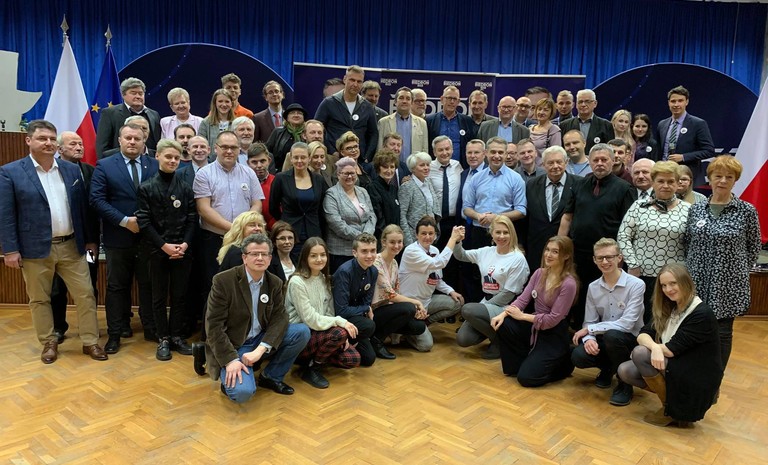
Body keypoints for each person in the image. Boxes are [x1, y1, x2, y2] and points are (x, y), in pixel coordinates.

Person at [0, 120, 107, 363]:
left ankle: (90, 341)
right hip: (34, 249)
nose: (48, 143)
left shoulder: (71, 170)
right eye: (42, 138)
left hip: (72, 246)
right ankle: (49, 342)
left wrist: (91, 240)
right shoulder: (11, 172)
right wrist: (10, 250)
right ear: (29, 140)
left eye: (51, 138)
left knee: (86, 294)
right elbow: (6, 214)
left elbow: (83, 208)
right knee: (40, 298)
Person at [204, 234, 310, 402]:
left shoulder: (274, 282)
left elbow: (280, 317)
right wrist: (231, 360)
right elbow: (214, 326)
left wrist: (261, 349)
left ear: (270, 258)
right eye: (254, 254)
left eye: (264, 254)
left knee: (301, 332)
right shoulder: (223, 281)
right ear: (244, 258)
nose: (260, 258)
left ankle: (271, 376)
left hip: (260, 339)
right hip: (235, 345)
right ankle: (229, 374)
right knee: (242, 394)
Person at [617, 263, 723, 426]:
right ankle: (671, 407)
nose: (668, 289)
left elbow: (672, 349)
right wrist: (654, 347)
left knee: (640, 353)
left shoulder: (701, 313)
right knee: (625, 370)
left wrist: (654, 348)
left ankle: (675, 410)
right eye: (664, 285)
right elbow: (643, 334)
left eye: (673, 283)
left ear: (685, 282)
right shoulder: (669, 307)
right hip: (677, 365)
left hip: (697, 373)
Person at [685, 156, 761, 371]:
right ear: (709, 178)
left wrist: (736, 270)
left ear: (735, 180)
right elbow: (687, 242)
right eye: (718, 176)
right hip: (696, 280)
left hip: (728, 284)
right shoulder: (696, 209)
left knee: (722, 333)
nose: (723, 181)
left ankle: (714, 377)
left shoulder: (746, 211)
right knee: (695, 327)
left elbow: (754, 246)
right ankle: (695, 373)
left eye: (729, 177)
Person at [91, 123, 159, 353]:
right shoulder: (105, 165)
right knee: (117, 287)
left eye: (137, 139)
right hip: (118, 238)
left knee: (148, 285)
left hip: (148, 238)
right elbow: (97, 200)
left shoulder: (154, 165)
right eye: (128, 138)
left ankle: (151, 328)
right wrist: (124, 221)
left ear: (144, 141)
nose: (132, 142)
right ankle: (115, 333)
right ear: (119, 140)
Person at [561, 143, 635, 329]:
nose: (600, 163)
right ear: (590, 162)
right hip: (580, 253)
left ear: (613, 161)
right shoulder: (579, 184)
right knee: (580, 293)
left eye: (604, 160)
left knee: (606, 295)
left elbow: (629, 226)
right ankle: (580, 331)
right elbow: (568, 217)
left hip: (608, 257)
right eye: (596, 160)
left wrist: (621, 256)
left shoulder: (625, 188)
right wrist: (560, 246)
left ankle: (604, 332)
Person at [193, 131, 264, 323]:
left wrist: (243, 228)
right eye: (224, 147)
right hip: (213, 240)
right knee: (213, 285)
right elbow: (204, 209)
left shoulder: (249, 173)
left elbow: (257, 204)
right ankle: (211, 331)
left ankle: (240, 328)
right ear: (215, 148)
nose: (229, 151)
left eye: (233, 147)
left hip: (243, 242)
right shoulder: (204, 173)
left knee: (242, 286)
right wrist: (235, 228)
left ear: (239, 149)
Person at [136, 139, 197, 360]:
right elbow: (144, 222)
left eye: (176, 158)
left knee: (180, 295)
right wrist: (164, 246)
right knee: (159, 296)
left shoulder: (185, 187)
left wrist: (184, 245)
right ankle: (162, 337)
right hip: (156, 250)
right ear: (158, 156)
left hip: (182, 250)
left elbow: (192, 219)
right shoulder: (146, 187)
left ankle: (177, 336)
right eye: (168, 156)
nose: (172, 161)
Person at [491, 236, 578, 387]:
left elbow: (552, 319)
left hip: (553, 333)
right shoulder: (539, 273)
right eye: (547, 250)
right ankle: (521, 364)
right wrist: (503, 314)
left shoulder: (569, 284)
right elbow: (522, 300)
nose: (548, 255)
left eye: (555, 252)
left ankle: (564, 363)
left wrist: (522, 316)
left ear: (566, 256)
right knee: (504, 323)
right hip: (534, 325)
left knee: (527, 379)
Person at [571, 238, 644, 406]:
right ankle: (608, 368)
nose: (604, 262)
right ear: (594, 260)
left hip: (629, 340)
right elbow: (589, 321)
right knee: (578, 356)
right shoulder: (593, 287)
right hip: (605, 338)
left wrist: (590, 329)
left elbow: (627, 324)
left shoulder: (636, 285)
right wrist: (589, 339)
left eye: (609, 257)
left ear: (619, 258)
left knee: (613, 336)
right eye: (600, 258)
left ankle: (625, 384)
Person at [618, 161, 690, 323]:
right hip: (642, 275)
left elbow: (692, 244)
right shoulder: (639, 206)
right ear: (653, 182)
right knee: (644, 319)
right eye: (661, 181)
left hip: (675, 277)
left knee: (672, 319)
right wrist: (633, 264)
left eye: (670, 181)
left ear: (677, 183)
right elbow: (623, 236)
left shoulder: (688, 209)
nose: (665, 185)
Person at [285, 238, 361, 389]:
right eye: (313, 255)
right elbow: (310, 319)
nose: (319, 259)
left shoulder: (323, 278)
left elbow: (329, 312)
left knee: (353, 359)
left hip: (320, 332)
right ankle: (312, 367)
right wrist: (340, 326)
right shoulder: (297, 282)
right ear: (305, 258)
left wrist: (339, 335)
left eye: (322, 255)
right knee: (340, 333)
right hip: (301, 335)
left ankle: (315, 358)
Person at [455, 216, 529, 359]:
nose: (501, 236)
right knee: (463, 339)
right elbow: (461, 255)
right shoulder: (486, 251)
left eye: (506, 232)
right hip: (487, 302)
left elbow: (508, 295)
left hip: (506, 306)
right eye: (498, 232)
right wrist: (457, 241)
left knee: (468, 310)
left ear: (512, 234)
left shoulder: (518, 258)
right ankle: (495, 333)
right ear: (492, 234)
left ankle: (500, 342)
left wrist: (481, 309)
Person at [49, 131, 99, 343]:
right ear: (60, 149)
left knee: (90, 284)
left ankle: (90, 329)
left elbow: (93, 208)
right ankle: (58, 327)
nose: (79, 147)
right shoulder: (52, 172)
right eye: (73, 144)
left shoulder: (90, 171)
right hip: (61, 242)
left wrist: (93, 240)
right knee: (57, 288)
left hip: (88, 243)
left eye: (81, 143)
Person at [399, 217, 465, 335]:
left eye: (431, 233)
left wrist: (451, 291)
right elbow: (439, 263)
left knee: (456, 303)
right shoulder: (411, 251)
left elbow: (437, 279)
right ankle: (404, 329)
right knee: (425, 344)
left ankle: (426, 322)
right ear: (416, 235)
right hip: (409, 303)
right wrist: (453, 239)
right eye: (423, 233)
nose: (427, 237)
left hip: (427, 302)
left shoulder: (435, 250)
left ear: (435, 235)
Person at [518, 146, 577, 272]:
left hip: (567, 249)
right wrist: (521, 244)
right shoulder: (532, 184)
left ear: (566, 162)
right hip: (537, 248)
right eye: (550, 163)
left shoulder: (578, 184)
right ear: (543, 164)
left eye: (559, 162)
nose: (555, 166)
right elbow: (525, 218)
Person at [371, 225, 430, 351]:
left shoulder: (394, 263)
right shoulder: (376, 262)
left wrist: (415, 310)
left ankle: (390, 334)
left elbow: (396, 291)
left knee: (419, 326)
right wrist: (416, 303)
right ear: (384, 242)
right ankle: (377, 340)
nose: (397, 246)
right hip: (373, 311)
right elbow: (391, 295)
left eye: (399, 242)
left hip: (388, 309)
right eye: (392, 242)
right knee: (408, 308)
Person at [269, 142, 328, 258]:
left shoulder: (319, 180)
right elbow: (273, 207)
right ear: (291, 159)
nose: (299, 161)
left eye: (303, 157)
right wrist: (285, 221)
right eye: (296, 157)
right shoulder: (281, 178)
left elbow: (322, 209)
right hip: (290, 234)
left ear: (309, 158)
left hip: (313, 232)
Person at [332, 234, 380, 364]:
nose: (369, 255)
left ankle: (351, 342)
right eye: (364, 251)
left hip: (355, 316)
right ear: (354, 253)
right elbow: (341, 310)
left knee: (369, 359)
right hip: (339, 319)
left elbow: (366, 301)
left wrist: (365, 308)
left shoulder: (373, 271)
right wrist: (365, 308)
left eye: (373, 251)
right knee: (369, 325)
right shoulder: (345, 272)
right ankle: (338, 344)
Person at [315, 65, 378, 163]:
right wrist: (332, 152)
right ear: (345, 79)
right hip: (334, 160)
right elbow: (318, 129)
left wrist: (367, 157)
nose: (355, 84)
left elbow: (373, 133)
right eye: (352, 80)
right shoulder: (328, 103)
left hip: (360, 161)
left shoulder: (367, 106)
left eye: (359, 81)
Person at [324, 157, 376, 272]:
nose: (350, 176)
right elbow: (336, 224)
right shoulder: (332, 194)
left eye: (352, 173)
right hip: (341, 252)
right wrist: (361, 237)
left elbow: (372, 216)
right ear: (338, 174)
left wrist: (367, 235)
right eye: (346, 173)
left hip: (363, 251)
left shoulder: (363, 192)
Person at [657, 86, 714, 187]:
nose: (676, 104)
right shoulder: (662, 124)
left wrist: (683, 157)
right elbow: (658, 151)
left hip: (688, 177)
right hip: (665, 176)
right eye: (673, 101)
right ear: (668, 103)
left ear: (686, 102)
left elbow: (708, 150)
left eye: (680, 101)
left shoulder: (698, 123)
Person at [96, 77, 161, 158]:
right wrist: (105, 163)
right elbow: (102, 145)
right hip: (119, 162)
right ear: (123, 95)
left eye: (140, 93)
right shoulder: (110, 113)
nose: (138, 96)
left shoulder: (154, 114)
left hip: (149, 161)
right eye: (133, 93)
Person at [426, 86, 476, 167]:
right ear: (442, 99)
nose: (452, 101)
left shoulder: (467, 121)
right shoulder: (430, 120)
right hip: (435, 168)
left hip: (460, 168)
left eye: (455, 99)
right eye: (449, 98)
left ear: (458, 102)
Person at [377, 86, 429, 163]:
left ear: (412, 102)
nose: (404, 101)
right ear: (395, 102)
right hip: (390, 166)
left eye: (408, 99)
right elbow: (380, 148)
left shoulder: (422, 123)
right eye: (401, 98)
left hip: (414, 167)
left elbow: (425, 150)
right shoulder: (383, 122)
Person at [398, 152, 439, 245]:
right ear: (412, 168)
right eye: (422, 165)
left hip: (430, 238)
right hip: (414, 240)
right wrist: (408, 242)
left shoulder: (428, 183)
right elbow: (402, 216)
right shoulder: (407, 187)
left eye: (428, 165)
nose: (426, 168)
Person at [558, 89, 614, 154]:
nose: (583, 104)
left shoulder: (606, 125)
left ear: (595, 103)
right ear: (576, 105)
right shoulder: (564, 125)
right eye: (580, 102)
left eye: (587, 101)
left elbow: (610, 152)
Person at [366, 149, 401, 242]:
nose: (389, 170)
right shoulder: (372, 187)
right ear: (378, 168)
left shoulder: (394, 189)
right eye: (385, 167)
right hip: (382, 239)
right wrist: (387, 237)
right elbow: (378, 217)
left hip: (394, 238)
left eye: (392, 167)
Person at [266, 103, 308, 173]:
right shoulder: (278, 132)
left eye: (299, 113)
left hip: (304, 171)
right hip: (280, 172)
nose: (296, 115)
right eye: (292, 113)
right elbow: (268, 152)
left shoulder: (308, 132)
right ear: (287, 117)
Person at [246, 143, 276, 229]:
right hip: (248, 228)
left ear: (269, 160)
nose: (259, 166)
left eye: (262, 161)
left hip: (273, 229)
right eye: (254, 162)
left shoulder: (276, 182)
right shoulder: (243, 183)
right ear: (248, 163)